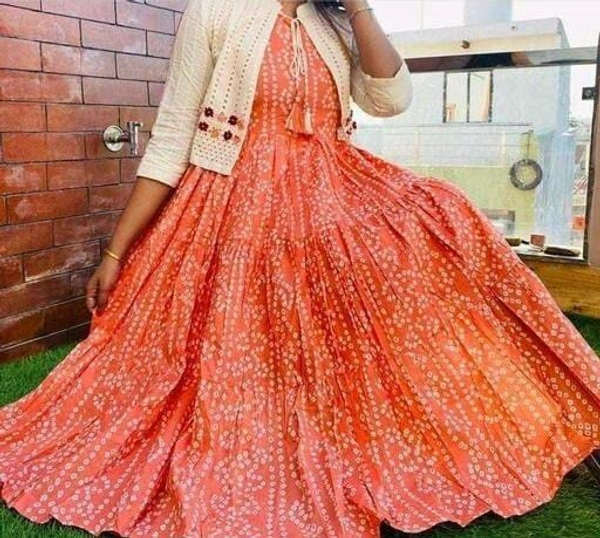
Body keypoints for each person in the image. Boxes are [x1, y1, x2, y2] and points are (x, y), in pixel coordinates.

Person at [1, 1, 600, 537]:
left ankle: (509, 413)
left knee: (444, 214)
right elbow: (174, 136)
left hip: (327, 193)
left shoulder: (334, 20)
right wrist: (115, 252)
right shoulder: (215, 11)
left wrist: (358, 7)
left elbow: (391, 100)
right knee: (239, 342)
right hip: (233, 203)